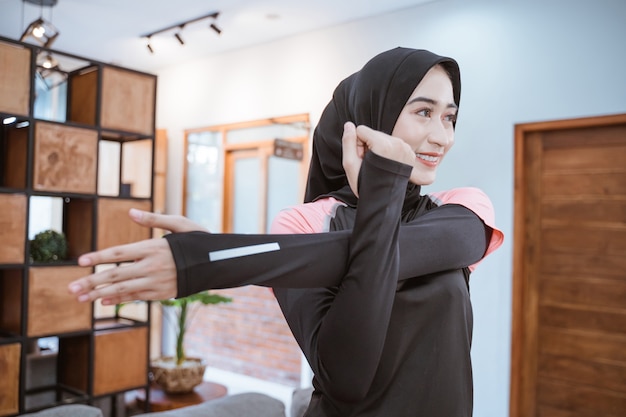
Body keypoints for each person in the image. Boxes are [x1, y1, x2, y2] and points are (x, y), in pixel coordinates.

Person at [68, 47, 504, 416]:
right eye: (423, 112)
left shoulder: (463, 209)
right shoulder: (302, 224)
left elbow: (379, 253)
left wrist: (214, 260)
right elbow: (346, 379)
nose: (442, 136)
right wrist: (381, 195)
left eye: (449, 117)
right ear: (368, 120)